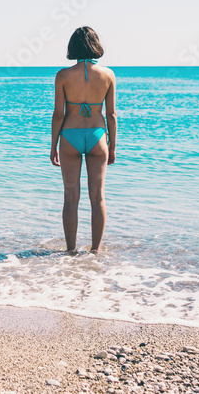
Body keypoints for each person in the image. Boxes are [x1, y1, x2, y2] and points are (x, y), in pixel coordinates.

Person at [50, 26, 117, 253]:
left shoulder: (63, 76)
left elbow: (59, 114)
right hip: (98, 136)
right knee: (97, 198)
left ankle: (70, 251)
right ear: (95, 45)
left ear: (73, 47)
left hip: (70, 136)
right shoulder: (108, 75)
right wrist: (113, 147)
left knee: (71, 198)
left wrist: (53, 146)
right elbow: (111, 115)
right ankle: (95, 251)